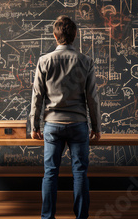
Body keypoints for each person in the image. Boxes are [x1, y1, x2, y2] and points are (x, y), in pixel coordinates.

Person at [30, 15, 101, 219]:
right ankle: (81, 217)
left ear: (55, 36)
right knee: (80, 172)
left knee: (50, 172)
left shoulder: (44, 61)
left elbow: (37, 96)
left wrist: (34, 126)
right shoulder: (86, 61)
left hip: (52, 124)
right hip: (78, 124)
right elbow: (92, 98)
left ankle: (47, 217)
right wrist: (96, 128)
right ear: (75, 35)